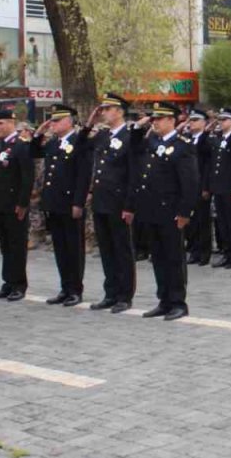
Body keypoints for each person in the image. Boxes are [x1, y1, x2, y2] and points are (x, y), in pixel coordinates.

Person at [133, 102, 198, 320]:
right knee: (158, 257)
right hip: (151, 210)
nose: (155, 123)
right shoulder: (152, 142)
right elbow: (134, 147)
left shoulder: (182, 146)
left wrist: (184, 212)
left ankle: (178, 302)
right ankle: (164, 300)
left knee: (174, 258)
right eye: (154, 119)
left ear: (172, 120)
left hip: (171, 212)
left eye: (159, 119)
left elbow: (189, 183)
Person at [80, 95, 139, 312]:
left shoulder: (130, 136)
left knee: (122, 249)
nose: (103, 112)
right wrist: (89, 123)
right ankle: (111, 292)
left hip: (119, 201)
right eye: (102, 108)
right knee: (106, 249)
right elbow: (81, 145)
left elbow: (133, 173)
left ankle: (125, 295)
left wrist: (130, 205)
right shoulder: (102, 135)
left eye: (108, 108)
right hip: (101, 200)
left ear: (120, 111)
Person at [34, 104, 89, 306]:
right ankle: (65, 287)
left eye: (57, 120)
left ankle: (75, 289)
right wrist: (39, 133)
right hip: (54, 202)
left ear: (69, 121)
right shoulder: (53, 143)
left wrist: (78, 202)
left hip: (70, 202)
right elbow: (34, 151)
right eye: (52, 121)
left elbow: (83, 175)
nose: (53, 124)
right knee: (60, 248)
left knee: (73, 248)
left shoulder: (78, 142)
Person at [0, 109, 34, 303]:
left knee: (17, 246)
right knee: (5, 246)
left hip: (14, 205)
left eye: (1, 123)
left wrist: (23, 203)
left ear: (11, 123)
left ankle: (19, 284)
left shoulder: (20, 145)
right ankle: (8, 282)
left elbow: (27, 177)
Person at [208, 109, 231, 269]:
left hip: (230, 187)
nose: (221, 122)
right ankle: (226, 253)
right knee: (221, 222)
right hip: (219, 186)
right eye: (220, 120)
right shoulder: (219, 139)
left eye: (225, 120)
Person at [185, 110, 215, 266]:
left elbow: (209, 167)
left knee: (203, 222)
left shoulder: (207, 141)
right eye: (191, 120)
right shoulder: (187, 140)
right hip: (189, 187)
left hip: (201, 186)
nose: (192, 123)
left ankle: (204, 252)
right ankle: (194, 250)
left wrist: (206, 187)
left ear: (204, 123)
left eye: (196, 120)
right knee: (191, 221)